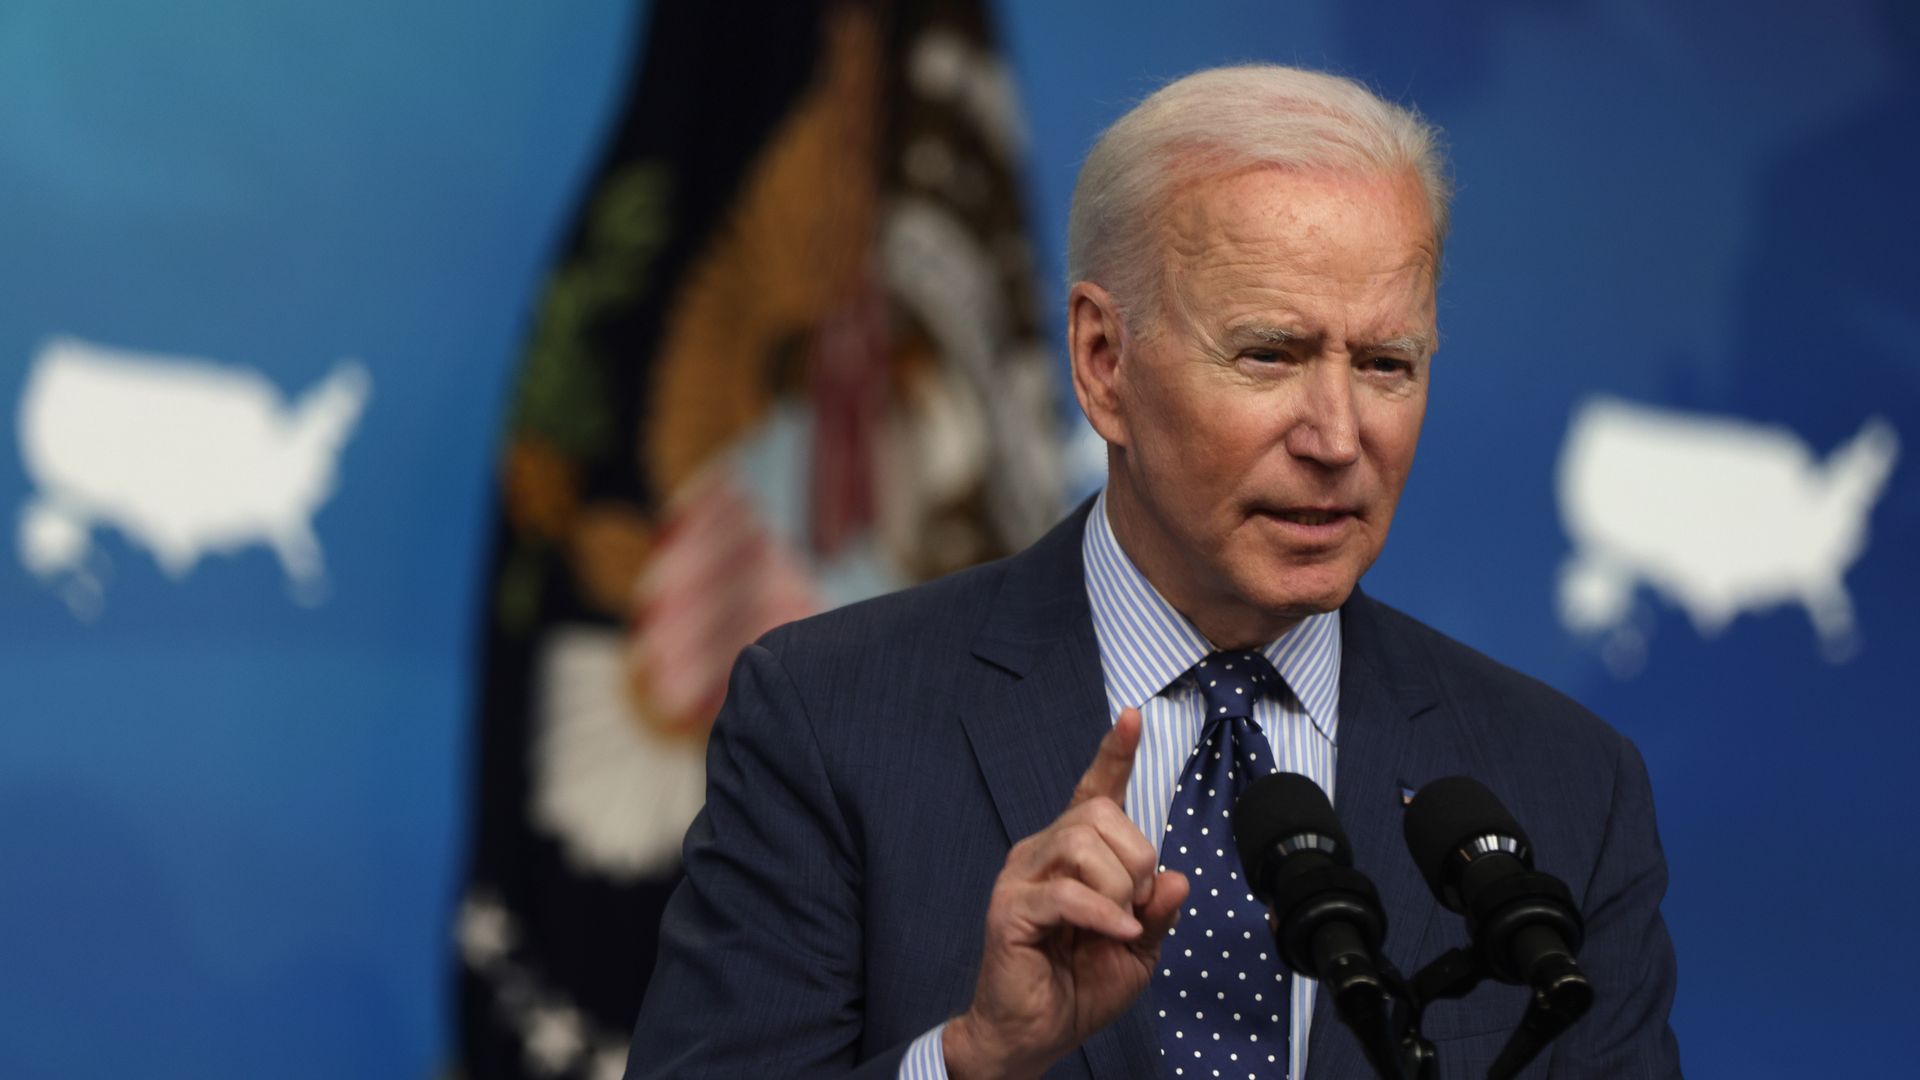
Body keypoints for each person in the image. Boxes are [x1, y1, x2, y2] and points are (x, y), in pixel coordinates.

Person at [627, 65, 1681, 1079]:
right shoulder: (828, 721)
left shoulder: (1567, 788)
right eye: (1270, 353)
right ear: (1102, 361)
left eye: (1384, 365)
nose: (1336, 436)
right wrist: (973, 1063)